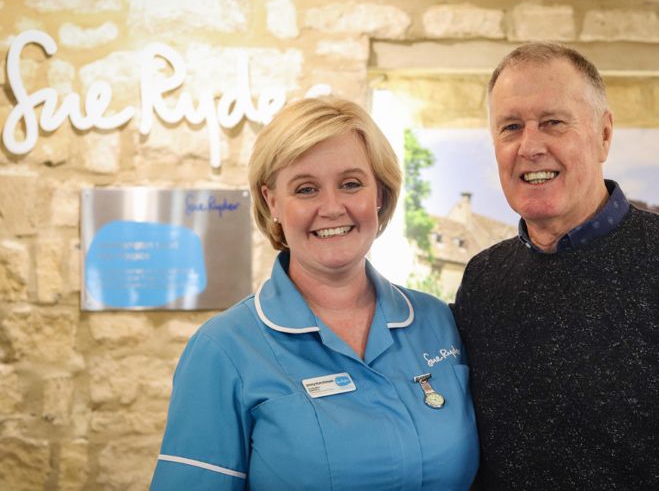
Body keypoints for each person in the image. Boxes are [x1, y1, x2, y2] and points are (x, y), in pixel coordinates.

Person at [452, 42, 659, 489]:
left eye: (553, 122)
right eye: (510, 127)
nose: (530, 145)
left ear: (604, 135)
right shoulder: (482, 280)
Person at [151, 97, 479, 489]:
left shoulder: (436, 322)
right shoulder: (224, 350)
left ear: (379, 194)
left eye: (351, 184)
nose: (332, 207)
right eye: (306, 189)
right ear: (272, 201)